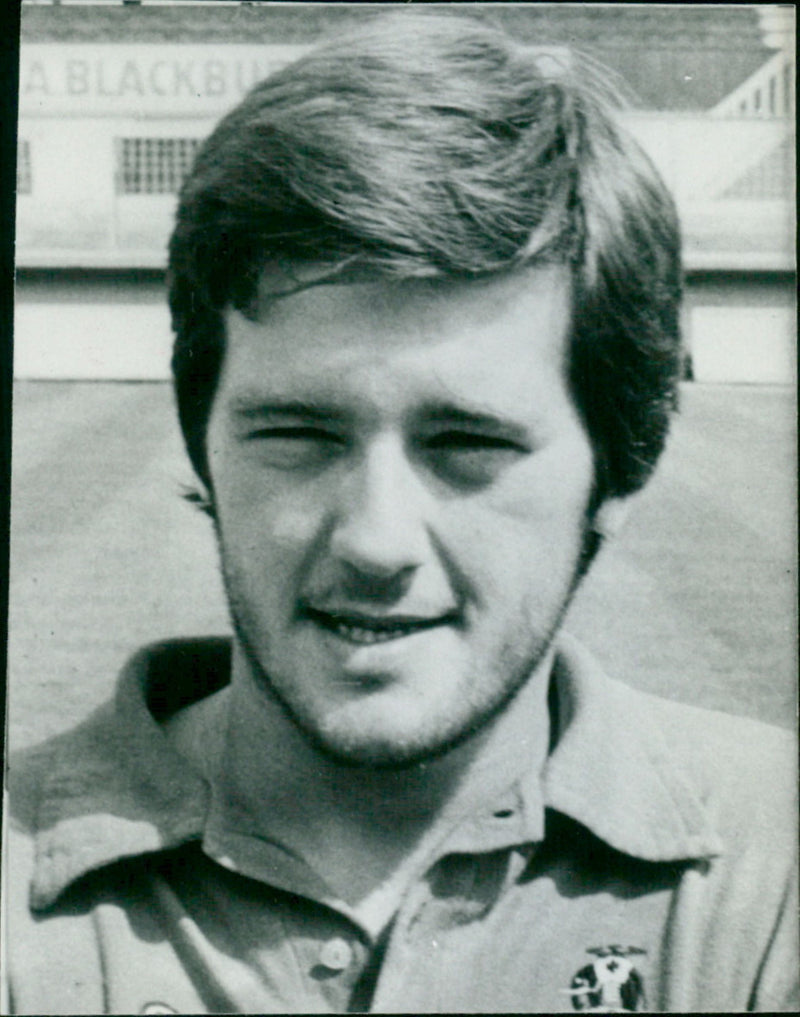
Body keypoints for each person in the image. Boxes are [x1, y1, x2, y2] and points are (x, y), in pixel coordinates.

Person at [4, 13, 796, 1015]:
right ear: (203, 438)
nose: (374, 540)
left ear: (615, 476)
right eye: (297, 435)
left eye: (465, 446)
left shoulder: (774, 871)